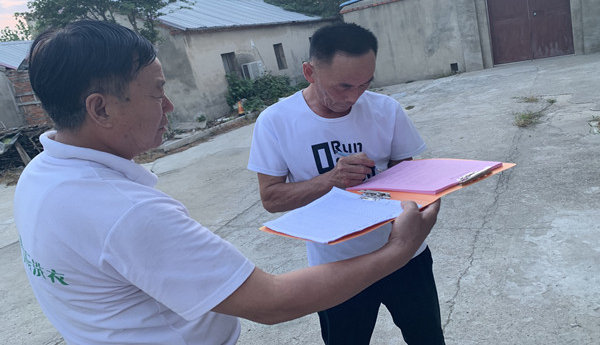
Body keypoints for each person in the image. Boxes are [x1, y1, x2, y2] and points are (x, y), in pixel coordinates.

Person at [13, 19, 440, 345]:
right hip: (344, 257)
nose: (169, 106)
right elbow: (271, 301)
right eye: (157, 92)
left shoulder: (40, 175)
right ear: (101, 109)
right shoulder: (128, 212)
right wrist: (399, 247)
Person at [247, 22, 445, 344]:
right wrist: (331, 180)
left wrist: (432, 190)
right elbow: (271, 198)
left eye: (364, 84)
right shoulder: (276, 122)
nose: (354, 96)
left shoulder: (386, 110)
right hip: (336, 267)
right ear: (309, 72)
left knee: (428, 338)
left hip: (406, 255)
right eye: (343, 86)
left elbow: (408, 177)